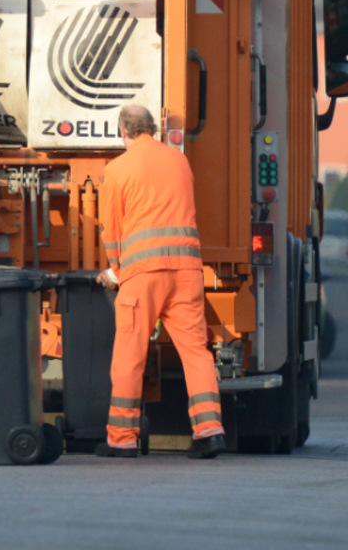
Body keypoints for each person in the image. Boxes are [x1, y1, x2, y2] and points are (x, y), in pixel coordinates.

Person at [95, 104, 226, 460]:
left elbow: (111, 230)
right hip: (186, 272)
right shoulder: (179, 161)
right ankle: (209, 431)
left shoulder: (117, 170)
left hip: (143, 275)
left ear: (123, 131)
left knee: (130, 354)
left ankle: (122, 438)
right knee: (196, 351)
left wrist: (114, 270)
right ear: (151, 128)